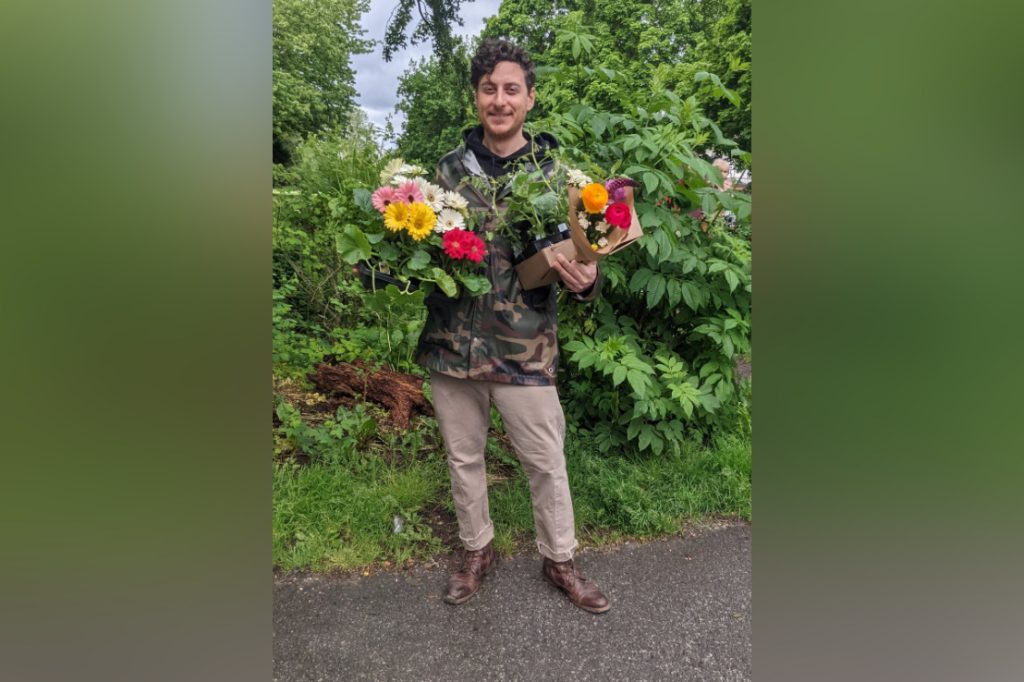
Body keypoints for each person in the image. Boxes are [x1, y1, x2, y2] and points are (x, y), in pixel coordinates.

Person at [414, 38, 610, 614]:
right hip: (453, 346)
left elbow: (588, 259)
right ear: (476, 97)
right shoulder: (445, 172)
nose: (499, 100)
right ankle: (478, 548)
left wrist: (587, 280)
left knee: (546, 462)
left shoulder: (557, 179)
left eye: (511, 89)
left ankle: (560, 558)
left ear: (529, 98)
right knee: (463, 456)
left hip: (526, 349)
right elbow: (422, 249)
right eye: (488, 89)